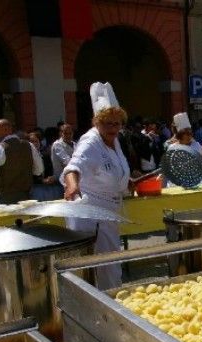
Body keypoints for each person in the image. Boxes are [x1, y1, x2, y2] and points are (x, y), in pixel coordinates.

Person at [61, 82, 131, 290]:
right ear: (97, 122)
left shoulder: (115, 140)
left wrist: (127, 181)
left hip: (108, 212)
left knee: (110, 265)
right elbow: (74, 167)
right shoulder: (90, 142)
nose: (113, 128)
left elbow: (111, 170)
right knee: (98, 270)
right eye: (107, 124)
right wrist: (72, 185)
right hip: (91, 215)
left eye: (117, 124)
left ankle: (111, 301)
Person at [0, 119, 43, 204]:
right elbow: (39, 170)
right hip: (27, 196)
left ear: (6, 130)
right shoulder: (29, 145)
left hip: (6, 197)